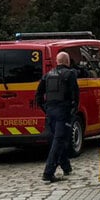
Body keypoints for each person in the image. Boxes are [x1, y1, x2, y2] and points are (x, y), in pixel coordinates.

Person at [34, 51, 79, 182]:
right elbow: (75, 94)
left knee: (59, 139)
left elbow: (38, 95)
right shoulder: (70, 74)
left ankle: (66, 167)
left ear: (57, 61)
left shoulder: (48, 75)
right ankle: (48, 173)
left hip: (50, 112)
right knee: (59, 140)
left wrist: (45, 108)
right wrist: (73, 110)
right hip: (63, 112)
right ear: (67, 61)